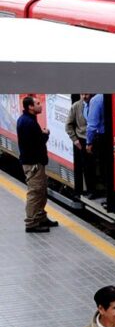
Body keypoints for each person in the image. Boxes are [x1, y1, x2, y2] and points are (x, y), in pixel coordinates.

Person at [16, 96, 58, 233]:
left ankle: (40, 217)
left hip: (35, 163)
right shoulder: (28, 123)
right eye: (38, 104)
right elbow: (35, 144)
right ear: (30, 107)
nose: (41, 105)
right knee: (35, 193)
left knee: (41, 191)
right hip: (33, 164)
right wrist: (45, 135)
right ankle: (31, 223)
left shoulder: (28, 120)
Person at [65, 93, 95, 196]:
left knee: (94, 165)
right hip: (82, 139)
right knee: (87, 166)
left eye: (86, 94)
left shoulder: (95, 104)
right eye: (82, 94)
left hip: (95, 139)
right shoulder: (76, 106)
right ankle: (90, 190)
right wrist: (75, 139)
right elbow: (68, 125)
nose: (84, 96)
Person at [85, 93, 109, 197]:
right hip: (113, 135)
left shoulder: (96, 100)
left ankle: (106, 194)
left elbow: (92, 126)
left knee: (103, 166)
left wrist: (89, 142)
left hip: (102, 137)